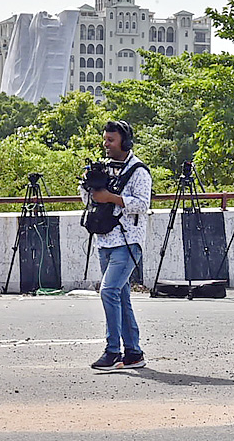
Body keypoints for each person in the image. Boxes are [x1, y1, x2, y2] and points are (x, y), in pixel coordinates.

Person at [82, 119, 151, 370]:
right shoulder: (106, 168)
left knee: (108, 291)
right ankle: (133, 353)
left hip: (128, 241)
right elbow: (89, 201)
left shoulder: (139, 171)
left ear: (125, 142)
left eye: (111, 140)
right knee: (121, 295)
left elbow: (143, 205)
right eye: (105, 139)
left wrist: (111, 197)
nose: (106, 144)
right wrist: (90, 184)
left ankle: (112, 352)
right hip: (105, 240)